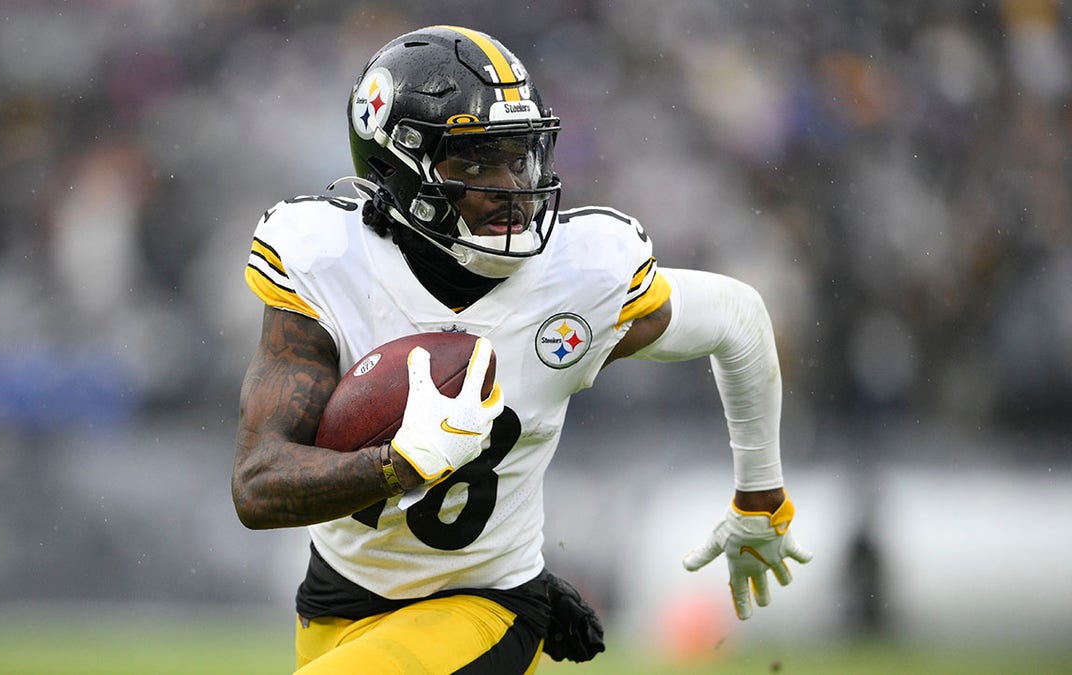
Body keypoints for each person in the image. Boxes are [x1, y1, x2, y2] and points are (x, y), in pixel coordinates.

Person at [233, 25, 811, 674]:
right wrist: (399, 465)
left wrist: (760, 498)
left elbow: (737, 317)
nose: (512, 184)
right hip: (335, 609)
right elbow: (258, 486)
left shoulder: (582, 277)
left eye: (522, 155)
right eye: (478, 162)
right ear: (396, 168)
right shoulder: (328, 263)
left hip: (486, 610)